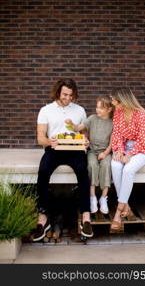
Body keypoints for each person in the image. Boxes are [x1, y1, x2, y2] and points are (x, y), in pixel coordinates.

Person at [32, 78, 93, 241]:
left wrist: (85, 141)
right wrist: (48, 142)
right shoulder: (46, 110)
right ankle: (42, 219)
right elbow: (40, 137)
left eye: (71, 95)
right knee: (43, 172)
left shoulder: (80, 110)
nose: (68, 98)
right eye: (65, 94)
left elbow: (84, 133)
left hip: (75, 149)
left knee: (82, 172)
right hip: (54, 148)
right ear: (58, 91)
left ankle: (86, 217)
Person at [110, 88, 145, 232]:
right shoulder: (119, 113)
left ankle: (118, 211)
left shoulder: (141, 114)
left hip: (141, 150)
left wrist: (130, 154)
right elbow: (116, 134)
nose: (112, 103)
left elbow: (143, 140)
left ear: (123, 101)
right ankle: (126, 206)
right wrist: (119, 151)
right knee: (115, 165)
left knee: (128, 169)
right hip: (124, 148)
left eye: (114, 101)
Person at [65, 96, 113, 215]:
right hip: (92, 150)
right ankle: (92, 197)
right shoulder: (92, 118)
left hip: (105, 151)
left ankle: (103, 198)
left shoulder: (113, 123)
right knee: (91, 165)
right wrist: (72, 124)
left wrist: (105, 153)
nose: (98, 110)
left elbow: (113, 141)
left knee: (106, 165)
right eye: (97, 107)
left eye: (101, 108)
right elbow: (78, 128)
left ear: (109, 109)